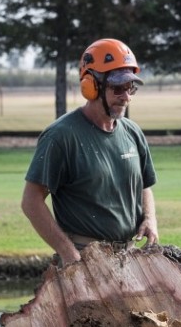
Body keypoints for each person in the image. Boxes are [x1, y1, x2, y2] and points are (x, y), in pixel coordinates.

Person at [21, 38, 158, 266]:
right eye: (117, 88)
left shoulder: (133, 132)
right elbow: (31, 201)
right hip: (85, 259)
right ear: (91, 86)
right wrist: (69, 253)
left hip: (130, 258)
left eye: (130, 87)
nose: (127, 97)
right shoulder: (61, 136)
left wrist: (150, 218)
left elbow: (145, 184)